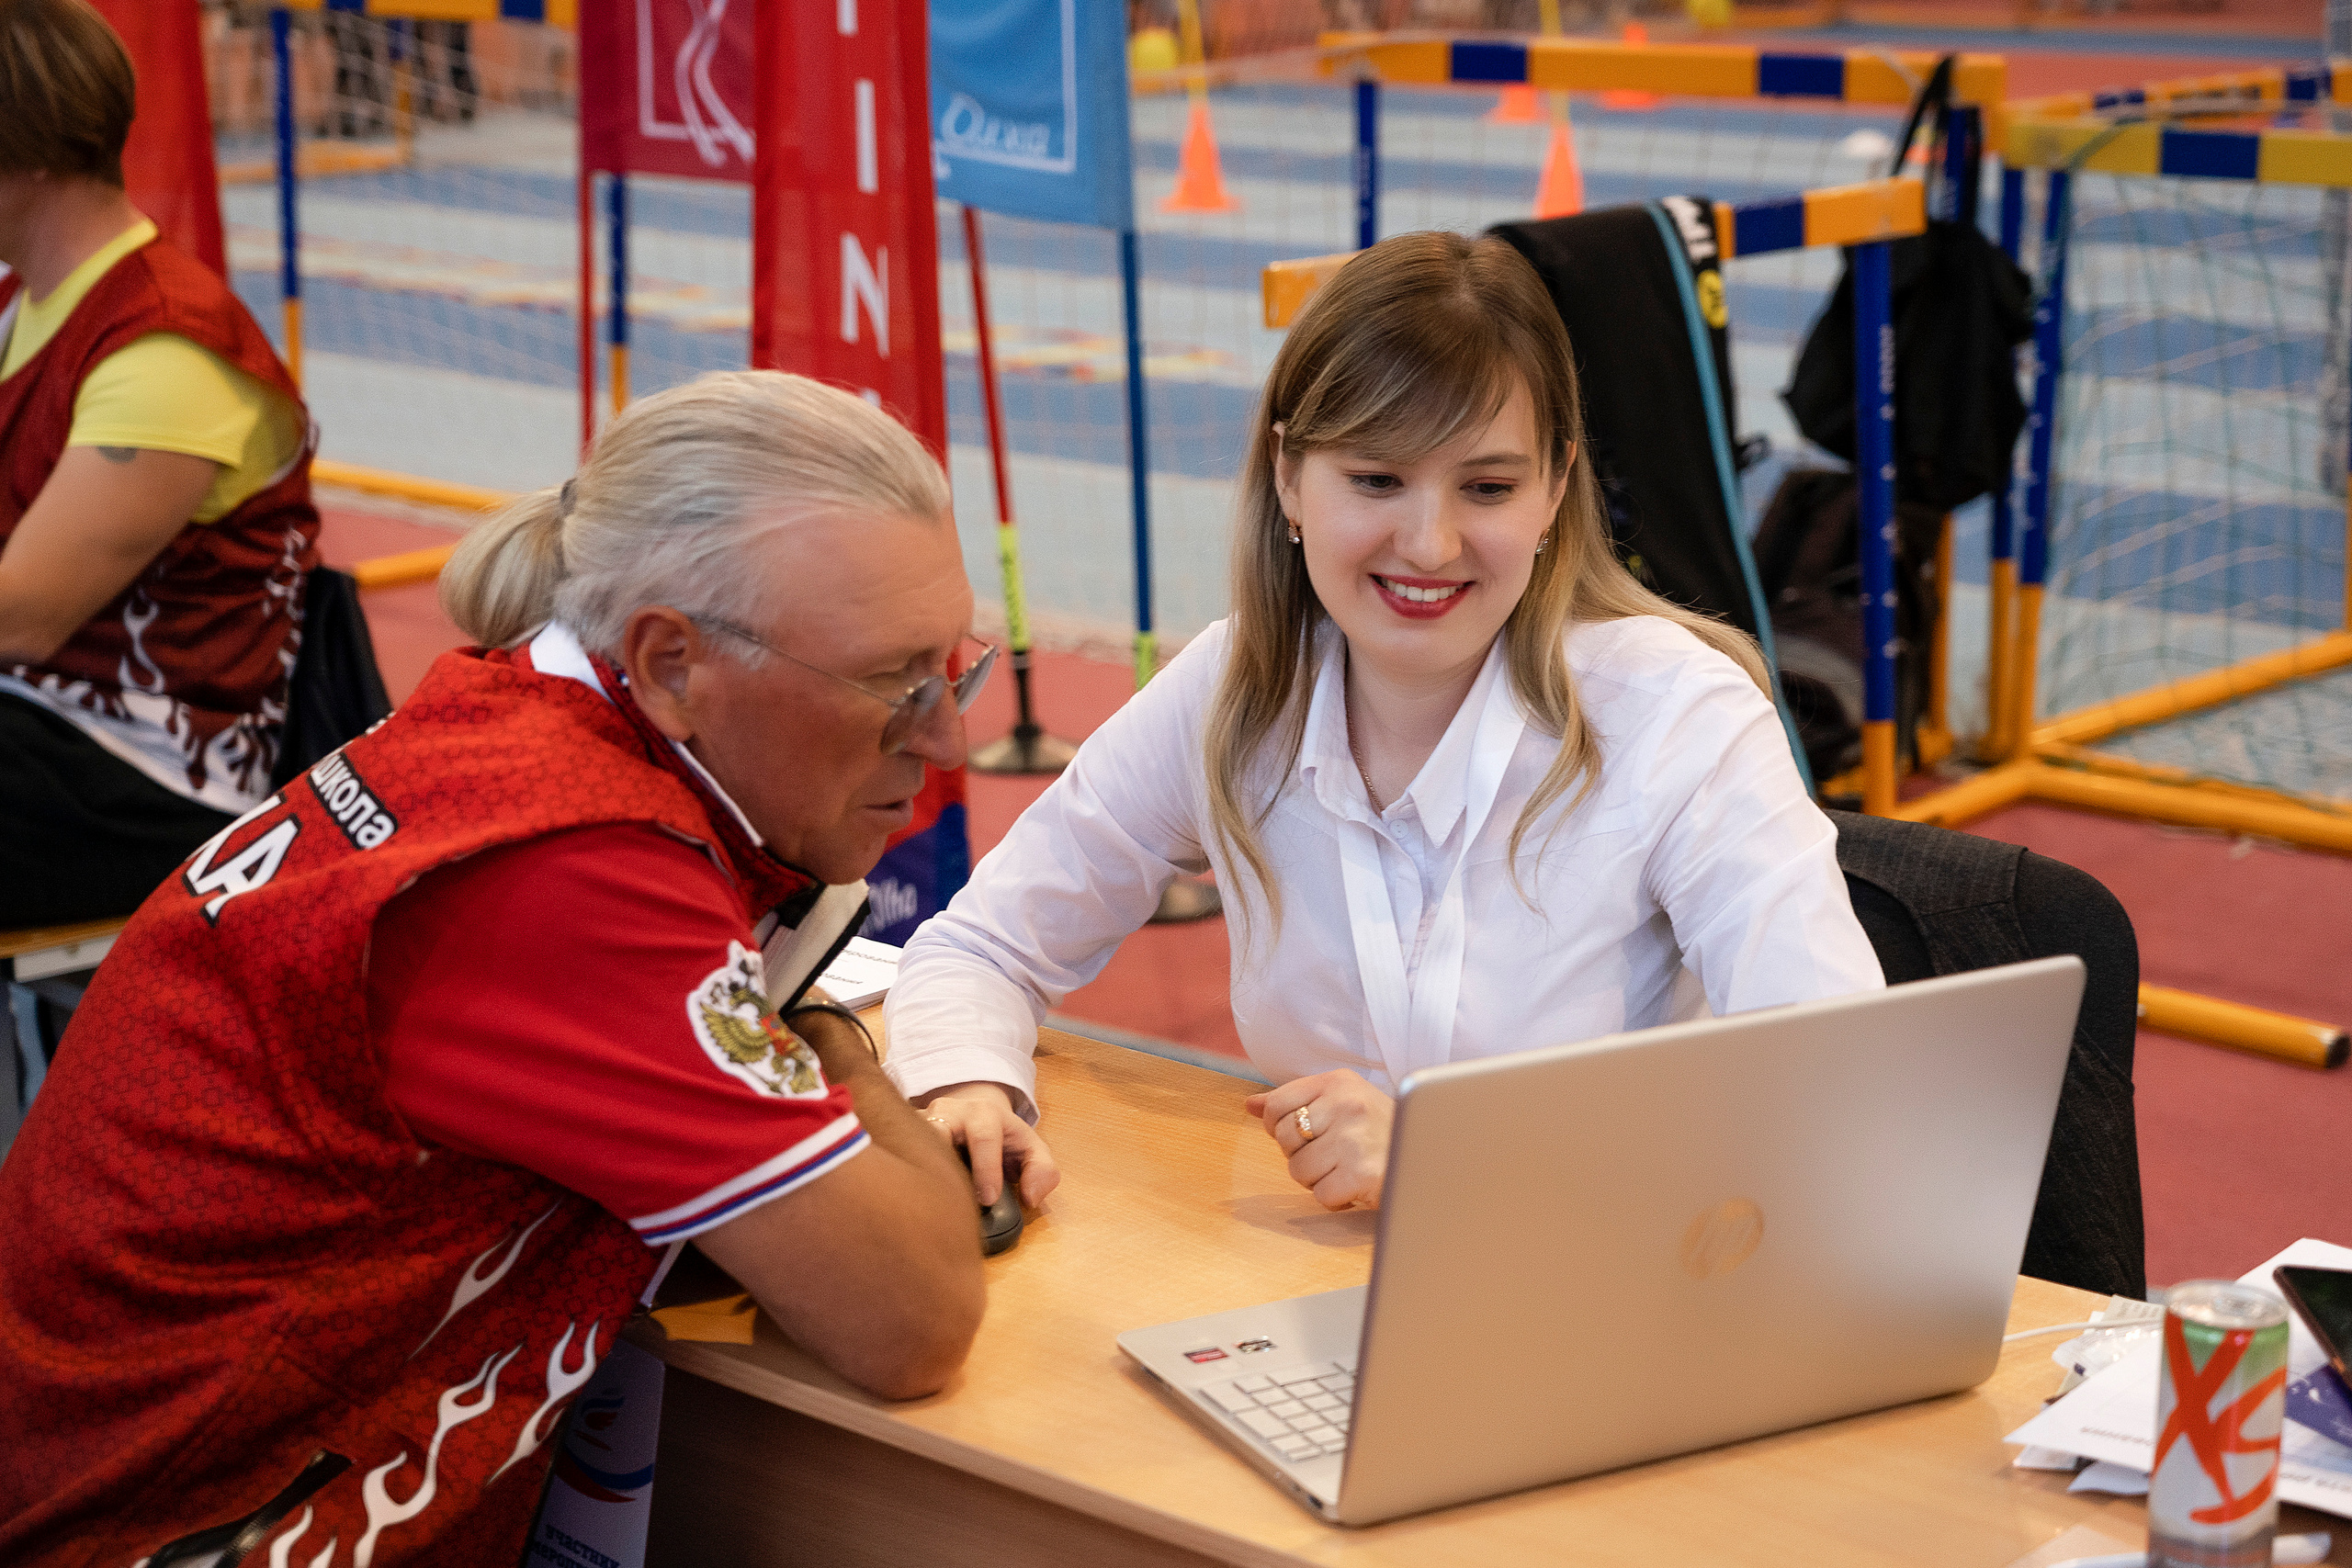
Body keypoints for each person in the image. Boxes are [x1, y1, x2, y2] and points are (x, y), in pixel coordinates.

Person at [0, 373, 989, 1566]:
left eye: (957, 669)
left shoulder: (511, 711)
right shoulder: (566, 865)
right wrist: (828, 1051)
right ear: (671, 662)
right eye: (896, 685)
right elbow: (915, 1313)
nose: (948, 741)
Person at [885, 231, 1884, 1213]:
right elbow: (982, 950)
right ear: (1288, 478)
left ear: (1553, 491)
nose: (1429, 542)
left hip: (1618, 1283)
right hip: (1325, 1283)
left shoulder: (1676, 717)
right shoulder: (1234, 688)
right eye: (1375, 479)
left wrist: (1446, 1157)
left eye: (1487, 487)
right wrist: (967, 1084)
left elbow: (1837, 1092)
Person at [0, 0, 319, 929]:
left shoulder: (165, 350)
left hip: (148, 774)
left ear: (27, 150)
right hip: (41, 725)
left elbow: (21, 617)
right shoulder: (26, 300)